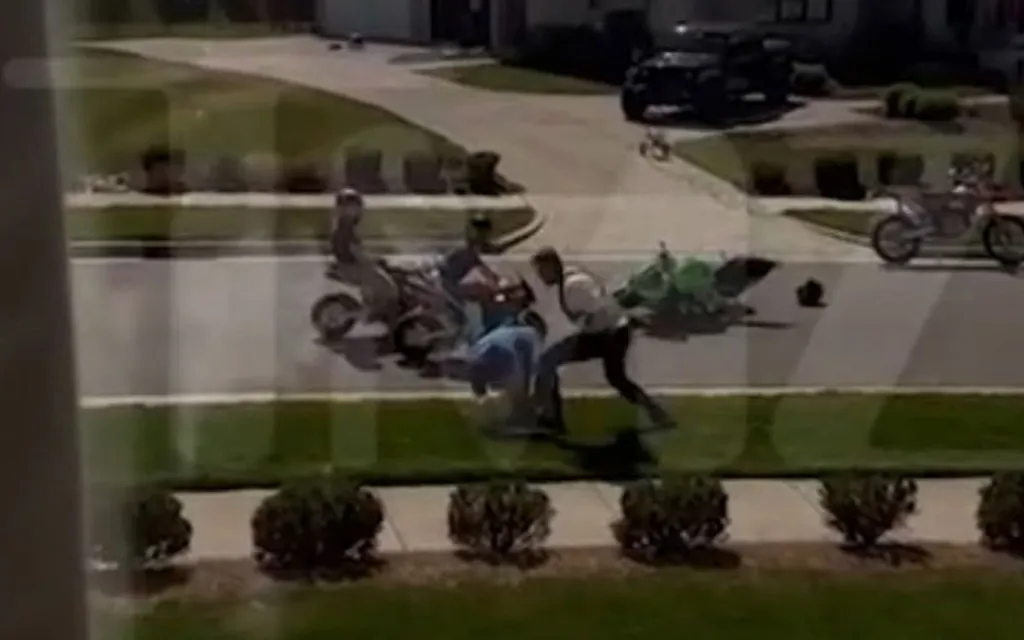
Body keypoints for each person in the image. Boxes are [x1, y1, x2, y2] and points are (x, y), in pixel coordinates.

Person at [530, 246, 673, 434]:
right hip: (609, 333)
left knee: (549, 360)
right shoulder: (571, 280)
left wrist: (585, 325)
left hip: (609, 334)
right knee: (616, 378)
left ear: (551, 266)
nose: (540, 277)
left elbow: (598, 307)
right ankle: (657, 414)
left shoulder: (574, 285)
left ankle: (551, 419)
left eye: (542, 271)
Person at [327, 187, 401, 322]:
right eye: (352, 207)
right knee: (390, 289)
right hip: (354, 267)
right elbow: (355, 251)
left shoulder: (343, 225)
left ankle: (374, 308)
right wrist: (371, 262)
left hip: (350, 265)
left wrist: (374, 260)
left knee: (382, 278)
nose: (357, 210)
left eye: (357, 207)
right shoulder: (345, 228)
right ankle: (369, 313)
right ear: (343, 209)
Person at [466, 317, 545, 434]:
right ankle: (519, 417)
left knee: (489, 383)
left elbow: (475, 354)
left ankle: (487, 412)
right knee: (516, 388)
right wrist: (526, 393)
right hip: (503, 354)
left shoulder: (504, 330)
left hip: (481, 353)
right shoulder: (533, 335)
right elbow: (529, 364)